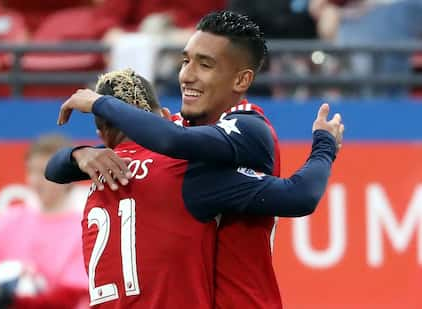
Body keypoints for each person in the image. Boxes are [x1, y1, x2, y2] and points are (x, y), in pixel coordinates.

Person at [50, 11, 344, 308]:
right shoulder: (174, 137)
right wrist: (79, 155)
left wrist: (100, 102)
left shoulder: (249, 129)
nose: (187, 75)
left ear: (241, 80)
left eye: (205, 65)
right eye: (185, 61)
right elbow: (55, 169)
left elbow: (299, 196)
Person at [0, 134, 88, 309]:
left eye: (44, 172)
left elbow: (72, 294)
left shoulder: (83, 229)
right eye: (31, 170)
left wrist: (19, 302)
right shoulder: (9, 220)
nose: (36, 181)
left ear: (67, 177)